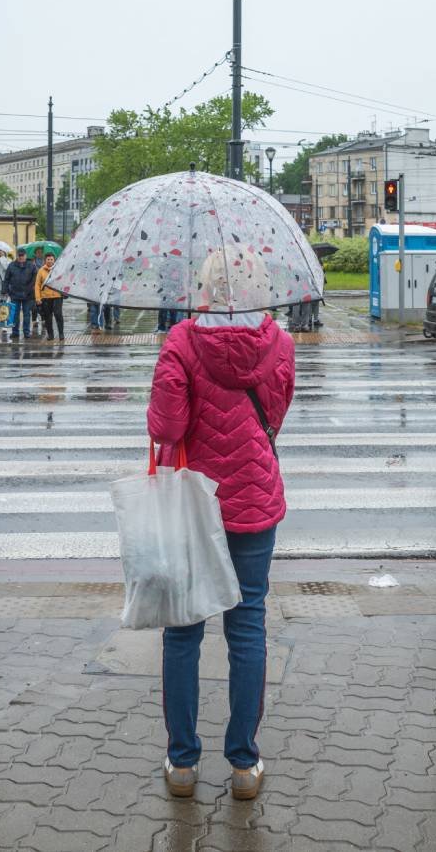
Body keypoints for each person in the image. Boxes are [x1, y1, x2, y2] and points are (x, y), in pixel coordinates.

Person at [147, 285, 296, 801]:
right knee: (248, 626)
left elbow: (167, 427)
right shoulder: (280, 342)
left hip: (195, 503)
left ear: (206, 292)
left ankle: (183, 763)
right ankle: (244, 765)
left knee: (183, 630)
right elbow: (276, 415)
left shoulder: (181, 341)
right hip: (253, 498)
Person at [3, 248, 38, 340]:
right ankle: (15, 332)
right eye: (19, 255)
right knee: (15, 314)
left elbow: (35, 279)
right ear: (17, 256)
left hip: (28, 294)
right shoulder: (11, 265)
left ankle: (26, 332)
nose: (21, 257)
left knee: (27, 314)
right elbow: (6, 279)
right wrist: (5, 290)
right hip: (14, 294)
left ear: (25, 256)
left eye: (22, 255)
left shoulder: (31, 266)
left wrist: (30, 289)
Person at [34, 252, 65, 341]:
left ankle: (61, 333)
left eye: (51, 259)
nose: (50, 261)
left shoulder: (58, 269)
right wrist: (38, 298)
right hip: (46, 297)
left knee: (58, 315)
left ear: (54, 260)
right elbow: (37, 285)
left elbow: (63, 281)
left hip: (57, 296)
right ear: (45, 260)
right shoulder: (41, 271)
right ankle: (50, 334)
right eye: (48, 259)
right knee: (47, 317)